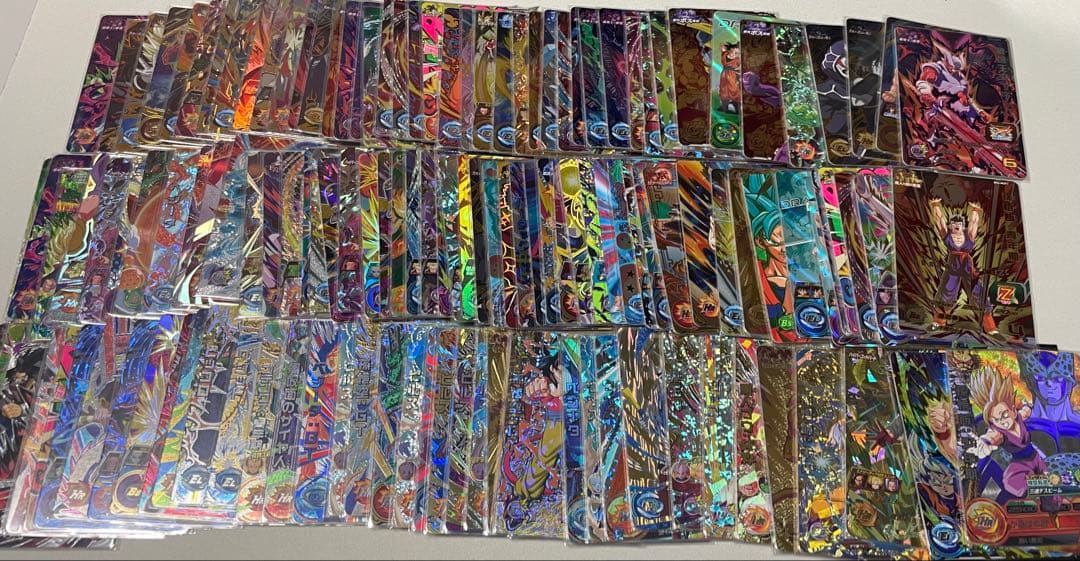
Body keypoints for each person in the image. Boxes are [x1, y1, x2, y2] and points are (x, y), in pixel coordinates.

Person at [928, 198, 997, 334]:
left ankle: (990, 327)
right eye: (954, 224)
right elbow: (939, 221)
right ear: (951, 226)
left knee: (978, 292)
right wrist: (935, 205)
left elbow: (974, 222)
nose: (957, 227)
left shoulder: (969, 235)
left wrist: (975, 210)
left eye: (959, 224)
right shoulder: (947, 236)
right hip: (953, 266)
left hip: (967, 267)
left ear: (963, 225)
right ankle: (939, 322)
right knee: (946, 293)